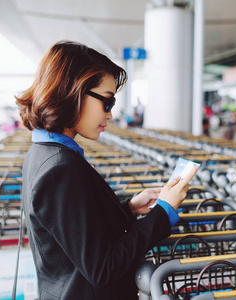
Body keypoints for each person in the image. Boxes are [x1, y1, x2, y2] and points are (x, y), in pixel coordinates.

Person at [15, 41, 198, 299]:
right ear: (73, 92)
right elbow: (103, 268)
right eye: (107, 102)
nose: (110, 115)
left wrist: (129, 208)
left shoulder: (42, 153)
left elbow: (74, 234)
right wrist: (163, 212)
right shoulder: (60, 169)